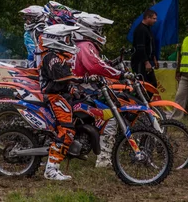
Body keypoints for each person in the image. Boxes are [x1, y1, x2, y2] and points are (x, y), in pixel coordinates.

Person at [72, 12, 132, 168]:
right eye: (99, 29)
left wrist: (112, 64)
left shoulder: (82, 44)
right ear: (91, 29)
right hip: (81, 89)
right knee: (110, 115)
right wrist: (120, 74)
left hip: (82, 87)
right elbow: (95, 66)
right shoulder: (85, 45)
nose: (101, 33)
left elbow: (98, 63)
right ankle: (104, 157)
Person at [39, 23, 84, 181]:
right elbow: (59, 78)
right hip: (54, 96)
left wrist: (75, 89)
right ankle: (51, 169)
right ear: (57, 39)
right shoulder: (52, 58)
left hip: (61, 94)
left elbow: (64, 81)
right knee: (67, 130)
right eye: (67, 38)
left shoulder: (59, 57)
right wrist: (82, 79)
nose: (69, 41)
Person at [131, 9, 159, 88]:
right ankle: (137, 100)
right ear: (147, 17)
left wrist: (154, 58)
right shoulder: (141, 30)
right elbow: (140, 48)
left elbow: (150, 46)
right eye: (154, 18)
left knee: (152, 84)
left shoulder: (148, 29)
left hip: (147, 61)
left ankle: (145, 100)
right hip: (140, 62)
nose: (155, 21)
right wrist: (146, 62)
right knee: (142, 85)